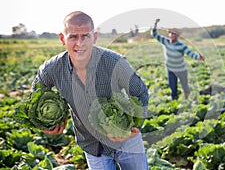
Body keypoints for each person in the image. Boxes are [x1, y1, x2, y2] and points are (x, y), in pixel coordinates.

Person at [32, 11, 149, 170]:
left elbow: (140, 91)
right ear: (62, 38)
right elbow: (36, 97)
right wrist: (46, 123)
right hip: (92, 144)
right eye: (73, 37)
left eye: (85, 36)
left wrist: (135, 125)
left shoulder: (114, 62)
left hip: (126, 140)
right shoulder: (51, 69)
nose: (80, 44)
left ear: (94, 37)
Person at [151, 19, 205, 100]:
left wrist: (198, 57)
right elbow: (154, 34)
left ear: (178, 35)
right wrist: (155, 24)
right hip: (170, 69)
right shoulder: (165, 41)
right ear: (168, 34)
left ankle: (187, 99)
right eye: (171, 33)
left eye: (175, 34)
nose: (173, 35)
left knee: (185, 87)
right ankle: (174, 101)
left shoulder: (181, 45)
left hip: (181, 69)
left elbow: (190, 53)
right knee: (173, 87)